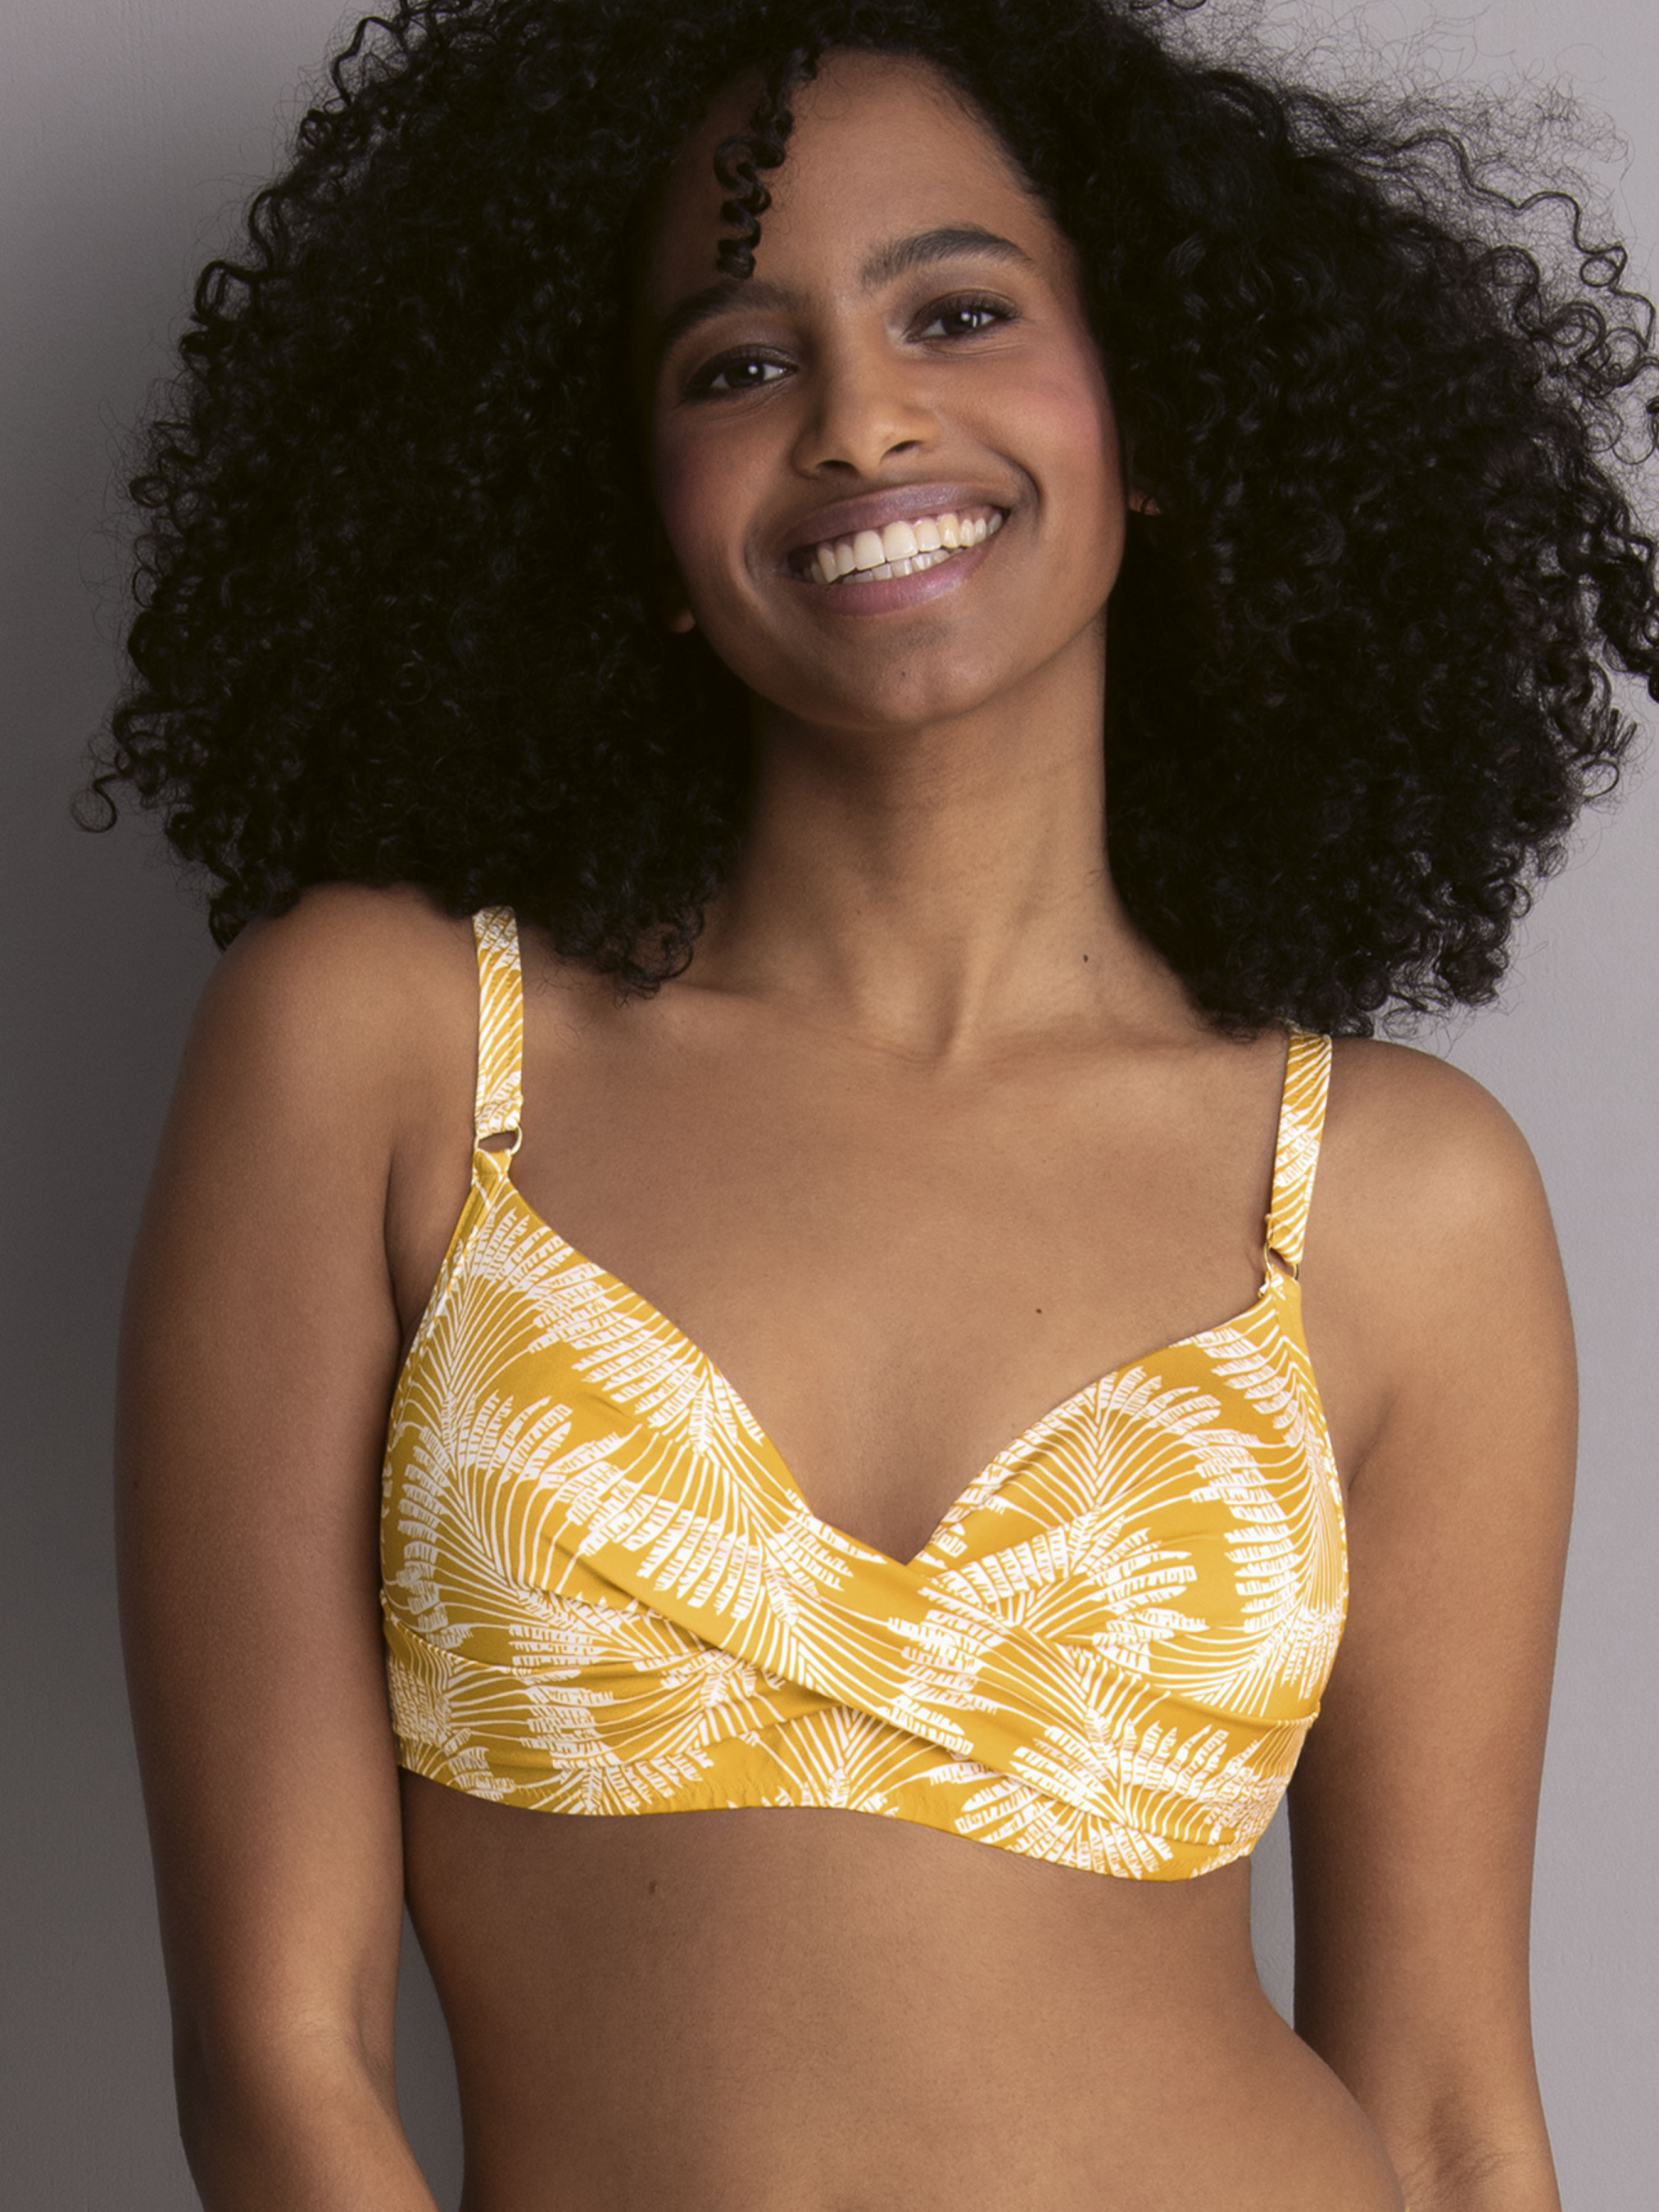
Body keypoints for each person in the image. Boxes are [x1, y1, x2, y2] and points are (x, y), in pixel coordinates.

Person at [98, 2, 1659, 2206]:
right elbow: (279, 2054)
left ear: (1151, 419)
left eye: (957, 312)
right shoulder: (390, 1056)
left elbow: (1450, 2118)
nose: (858, 419)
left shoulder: (1399, 1196)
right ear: (634, 508)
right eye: (737, 363)